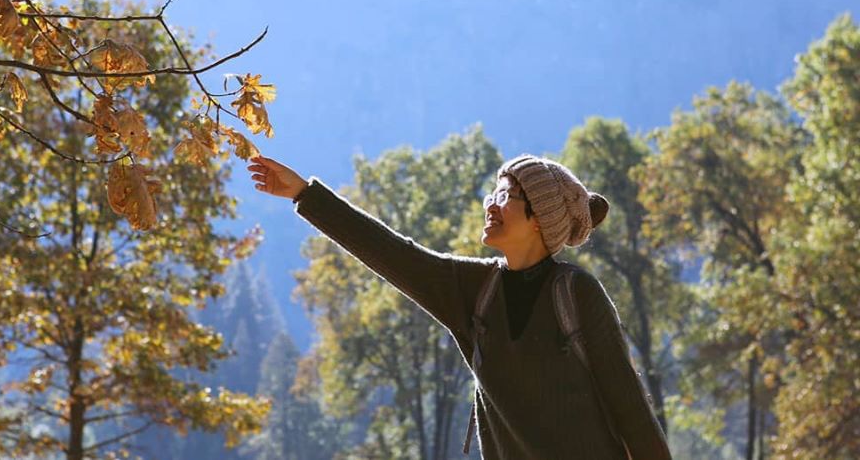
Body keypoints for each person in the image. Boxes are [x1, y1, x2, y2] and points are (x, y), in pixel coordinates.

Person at [248, 153, 671, 460]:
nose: (490, 203)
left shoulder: (577, 296)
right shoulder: (475, 292)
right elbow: (394, 255)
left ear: (539, 216)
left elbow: (632, 412)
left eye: (504, 195)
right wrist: (304, 193)